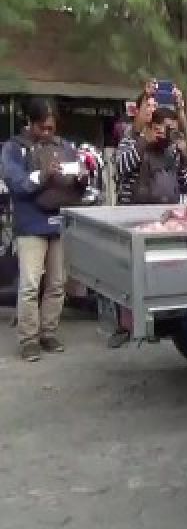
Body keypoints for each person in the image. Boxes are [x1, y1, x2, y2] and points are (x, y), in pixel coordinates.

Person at [1, 99, 87, 361]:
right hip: (30, 224)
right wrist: (42, 175)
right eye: (42, 128)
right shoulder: (13, 148)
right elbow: (16, 184)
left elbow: (75, 187)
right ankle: (28, 339)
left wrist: (82, 179)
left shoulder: (65, 147)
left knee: (57, 283)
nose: (48, 133)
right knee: (29, 285)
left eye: (52, 127)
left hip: (58, 220)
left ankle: (48, 332)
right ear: (29, 122)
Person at [114, 109, 187, 205]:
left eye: (174, 130)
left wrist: (184, 157)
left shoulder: (173, 150)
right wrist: (145, 141)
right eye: (169, 129)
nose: (170, 134)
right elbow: (121, 168)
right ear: (154, 127)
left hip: (165, 211)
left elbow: (185, 185)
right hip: (133, 209)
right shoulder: (132, 141)